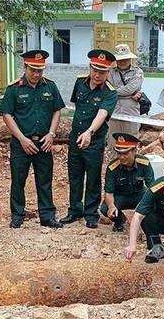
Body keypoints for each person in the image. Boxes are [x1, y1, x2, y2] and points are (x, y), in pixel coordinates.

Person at [1, 50, 65, 229]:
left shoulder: (50, 87)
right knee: (18, 180)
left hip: (44, 142)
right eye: (33, 70)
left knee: (45, 180)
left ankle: (47, 215)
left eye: (40, 70)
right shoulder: (14, 88)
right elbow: (7, 115)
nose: (36, 74)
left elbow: (57, 110)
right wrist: (21, 139)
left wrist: (52, 134)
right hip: (22, 143)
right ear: (25, 67)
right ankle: (17, 215)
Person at [59, 49, 118, 229]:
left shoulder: (110, 92)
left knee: (92, 177)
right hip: (75, 139)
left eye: (102, 71)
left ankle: (91, 213)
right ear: (90, 67)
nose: (97, 74)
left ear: (108, 73)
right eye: (95, 69)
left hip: (94, 141)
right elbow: (77, 106)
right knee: (74, 174)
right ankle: (74, 209)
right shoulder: (80, 82)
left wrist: (89, 132)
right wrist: (80, 132)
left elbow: (102, 114)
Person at [100, 132, 154, 232]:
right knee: (104, 208)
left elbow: (152, 188)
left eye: (125, 153)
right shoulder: (112, 168)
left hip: (139, 195)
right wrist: (111, 206)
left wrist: (145, 204)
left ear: (134, 151)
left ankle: (147, 226)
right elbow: (109, 192)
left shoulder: (144, 164)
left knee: (153, 202)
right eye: (119, 153)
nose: (121, 157)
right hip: (121, 196)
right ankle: (119, 221)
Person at [107, 44, 144, 156]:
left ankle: (130, 170)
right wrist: (129, 95)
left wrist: (118, 92)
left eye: (125, 59)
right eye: (120, 59)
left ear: (130, 59)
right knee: (114, 143)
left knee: (131, 142)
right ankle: (114, 169)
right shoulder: (111, 72)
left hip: (131, 112)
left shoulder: (138, 72)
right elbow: (108, 89)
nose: (122, 62)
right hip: (114, 112)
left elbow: (130, 89)